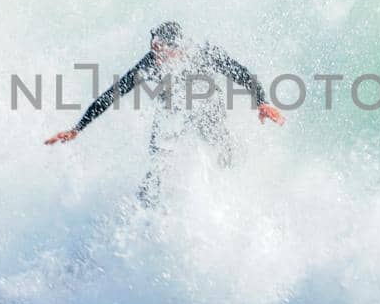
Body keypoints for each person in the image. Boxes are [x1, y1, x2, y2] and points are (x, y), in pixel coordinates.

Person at [45, 20, 285, 202]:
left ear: (177, 48)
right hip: (172, 110)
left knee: (219, 144)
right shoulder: (150, 63)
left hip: (208, 106)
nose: (155, 55)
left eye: (160, 49)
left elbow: (241, 73)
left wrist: (262, 101)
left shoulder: (204, 53)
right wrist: (77, 128)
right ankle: (149, 202)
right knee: (159, 157)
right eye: (153, 48)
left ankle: (233, 185)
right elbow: (111, 95)